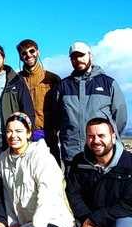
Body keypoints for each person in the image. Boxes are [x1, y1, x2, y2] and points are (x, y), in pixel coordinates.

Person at [0, 113, 74, 227]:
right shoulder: (3, 159)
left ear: (28, 133)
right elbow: (7, 195)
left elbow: (48, 197)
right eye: (9, 131)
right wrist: (12, 222)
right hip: (23, 225)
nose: (13, 136)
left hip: (50, 221)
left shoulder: (42, 157)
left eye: (19, 131)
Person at [65, 117, 132, 227]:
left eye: (101, 135)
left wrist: (96, 218)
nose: (96, 141)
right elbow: (73, 194)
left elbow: (129, 204)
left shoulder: (128, 163)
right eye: (91, 136)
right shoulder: (79, 162)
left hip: (119, 221)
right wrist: (87, 219)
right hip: (92, 226)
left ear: (113, 136)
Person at [54, 42, 127, 172]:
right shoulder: (63, 86)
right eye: (74, 57)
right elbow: (58, 117)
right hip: (72, 152)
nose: (78, 60)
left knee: (103, 191)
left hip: (101, 153)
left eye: (82, 55)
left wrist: (108, 139)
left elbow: (120, 116)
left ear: (90, 56)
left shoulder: (108, 83)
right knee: (74, 191)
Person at [16, 39, 61, 163]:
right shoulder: (16, 80)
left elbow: (61, 107)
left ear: (38, 53)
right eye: (24, 53)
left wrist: (56, 129)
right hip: (26, 135)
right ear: (20, 57)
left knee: (53, 173)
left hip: (48, 135)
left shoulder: (52, 79)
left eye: (32, 51)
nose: (28, 55)